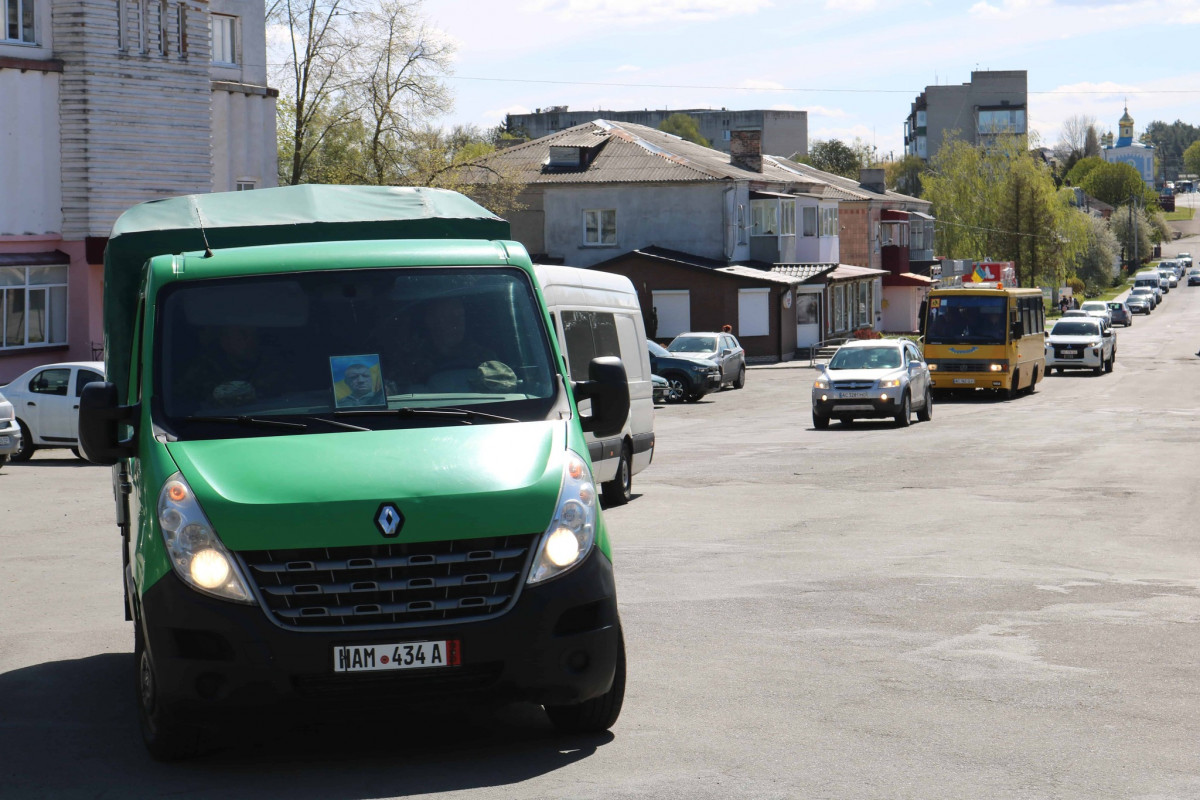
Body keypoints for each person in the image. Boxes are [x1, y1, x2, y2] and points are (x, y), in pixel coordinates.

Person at [408, 295, 518, 392]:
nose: (456, 323)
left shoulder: (484, 358)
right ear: (431, 321)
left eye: (460, 316)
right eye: (448, 317)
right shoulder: (411, 360)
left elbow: (503, 390)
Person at [180, 324, 286, 407]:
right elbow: (187, 401)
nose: (251, 340)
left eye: (255, 334)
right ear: (224, 340)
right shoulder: (204, 369)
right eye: (243, 334)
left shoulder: (274, 364)